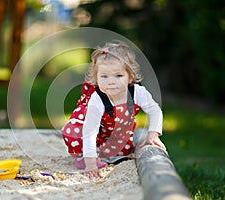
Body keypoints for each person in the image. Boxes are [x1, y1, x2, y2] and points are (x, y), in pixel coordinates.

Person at [61, 40, 165, 178]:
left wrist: (153, 133)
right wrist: (90, 163)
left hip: (119, 136)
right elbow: (89, 132)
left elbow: (154, 110)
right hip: (95, 136)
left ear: (130, 76)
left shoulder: (137, 92)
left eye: (118, 75)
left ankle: (108, 155)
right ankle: (83, 156)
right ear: (96, 79)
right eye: (104, 76)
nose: (111, 81)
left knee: (120, 152)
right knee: (74, 130)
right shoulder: (97, 98)